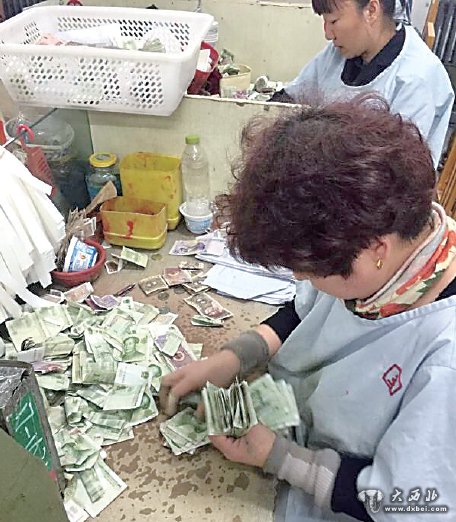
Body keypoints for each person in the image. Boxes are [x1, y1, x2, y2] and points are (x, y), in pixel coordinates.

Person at [160, 94, 456, 522]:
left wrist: (282, 459)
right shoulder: (391, 243)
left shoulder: (444, 358)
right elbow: (303, 312)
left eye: (310, 270)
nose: (302, 278)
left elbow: (416, 503)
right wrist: (234, 358)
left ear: (375, 250)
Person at [270, 0, 454, 168]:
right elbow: (291, 97)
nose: (328, 34)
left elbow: (396, 169)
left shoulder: (417, 78)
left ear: (371, 10)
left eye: (334, 21)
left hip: (376, 187)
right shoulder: (341, 53)